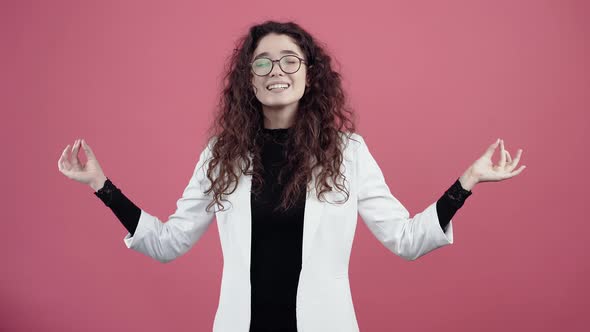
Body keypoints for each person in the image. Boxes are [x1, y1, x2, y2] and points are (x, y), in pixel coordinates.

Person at [57, 21, 526, 332]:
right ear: (249, 79)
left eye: (289, 60)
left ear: (309, 75)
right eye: (262, 62)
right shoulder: (221, 156)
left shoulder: (348, 153)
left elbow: (406, 239)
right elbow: (167, 242)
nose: (275, 70)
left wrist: (467, 182)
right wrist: (102, 185)